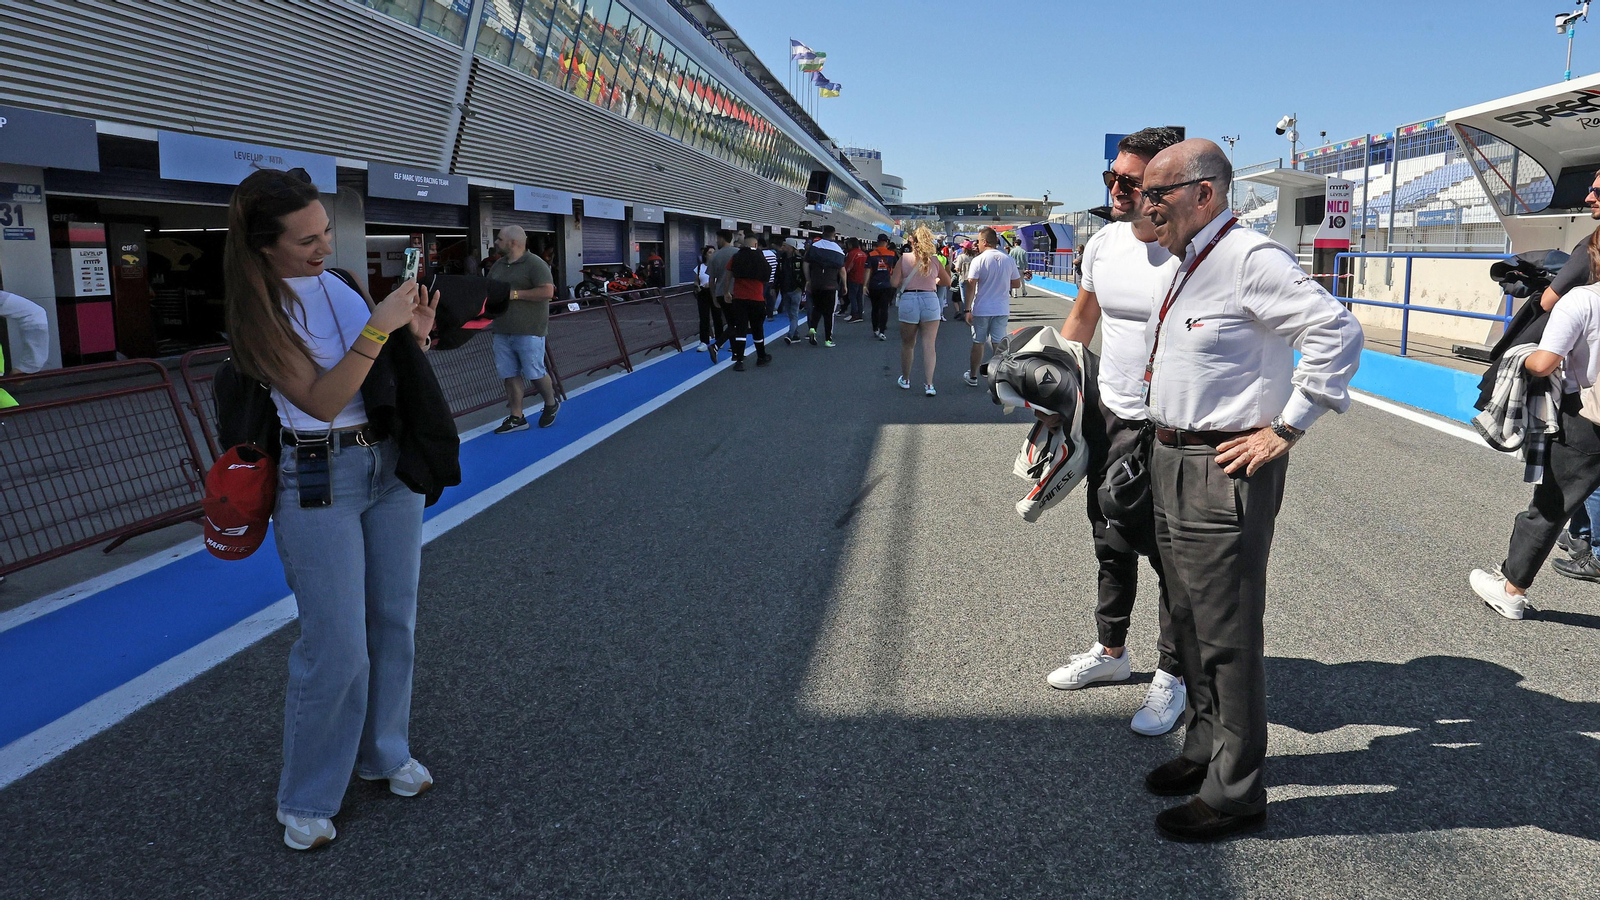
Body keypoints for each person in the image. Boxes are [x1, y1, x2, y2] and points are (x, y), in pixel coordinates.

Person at [1137, 139, 1362, 842]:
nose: (1146, 207)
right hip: (1172, 456)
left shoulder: (1249, 258)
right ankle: (1205, 746)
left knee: (1227, 633)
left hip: (1222, 465)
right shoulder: (1188, 260)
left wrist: (1287, 428)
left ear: (1204, 194)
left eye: (1158, 194)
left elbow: (1337, 332)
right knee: (1187, 619)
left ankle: (1236, 792)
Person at [222, 167, 451, 851]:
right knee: (336, 645)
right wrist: (379, 328)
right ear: (263, 246)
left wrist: (415, 336)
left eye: (326, 232)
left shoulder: (344, 284)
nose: (325, 248)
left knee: (394, 622)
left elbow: (375, 376)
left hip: (388, 464)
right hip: (318, 475)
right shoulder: (256, 315)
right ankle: (307, 795)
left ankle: (384, 752)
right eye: (307, 241)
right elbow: (321, 401)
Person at [1044, 127, 1187, 738]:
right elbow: (1081, 319)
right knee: (1109, 537)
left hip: (1172, 427)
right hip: (1108, 417)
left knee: (1172, 556)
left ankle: (1175, 674)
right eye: (1112, 178)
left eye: (1130, 181)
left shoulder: (1193, 249)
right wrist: (1054, 393)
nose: (1117, 189)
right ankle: (1111, 652)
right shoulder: (1103, 243)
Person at [1472, 233, 1600, 616]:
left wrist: (1520, 356)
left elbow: (1544, 364)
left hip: (1586, 421)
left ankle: (1511, 590)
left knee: (1549, 507)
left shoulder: (1581, 300)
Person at [1532, 169, 1600, 580]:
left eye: (1597, 191)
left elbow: (1547, 301)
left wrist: (1523, 359)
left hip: (1588, 395)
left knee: (1583, 472)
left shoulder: (1588, 250)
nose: (1589, 197)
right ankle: (1582, 535)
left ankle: (1593, 548)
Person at [487, 225, 559, 433]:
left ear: (513, 242)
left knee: (534, 372)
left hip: (529, 329)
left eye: (499, 239)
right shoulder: (498, 265)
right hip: (502, 328)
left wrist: (515, 294)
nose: (496, 242)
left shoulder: (535, 264)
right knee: (509, 373)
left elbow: (547, 292)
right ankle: (516, 416)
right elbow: (489, 287)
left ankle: (551, 403)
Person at [891, 225, 950, 395]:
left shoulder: (904, 258)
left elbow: (894, 283)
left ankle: (906, 379)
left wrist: (904, 281)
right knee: (929, 345)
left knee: (908, 344)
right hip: (930, 299)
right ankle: (929, 385)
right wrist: (934, 280)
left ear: (912, 241)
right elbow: (946, 281)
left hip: (909, 299)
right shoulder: (935, 260)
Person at [962, 227, 1022, 386]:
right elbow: (1016, 283)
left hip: (982, 308)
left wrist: (967, 309)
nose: (977, 244)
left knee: (979, 342)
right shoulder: (1008, 259)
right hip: (1001, 308)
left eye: (978, 241)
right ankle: (1001, 378)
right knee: (999, 344)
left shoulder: (978, 260)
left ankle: (973, 376)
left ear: (984, 241)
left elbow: (971, 285)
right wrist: (1002, 282)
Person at [722, 233, 774, 370]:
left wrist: (726, 292)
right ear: (756, 244)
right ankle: (761, 357)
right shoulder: (760, 257)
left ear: (744, 244)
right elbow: (767, 276)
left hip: (739, 298)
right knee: (757, 328)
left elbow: (728, 275)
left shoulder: (736, 256)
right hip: (756, 298)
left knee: (740, 329)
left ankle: (739, 360)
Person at [806, 226, 846, 347]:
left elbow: (806, 263)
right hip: (831, 285)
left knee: (817, 308)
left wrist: (808, 280)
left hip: (816, 284)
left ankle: (812, 328)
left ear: (823, 234)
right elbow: (842, 270)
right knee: (829, 313)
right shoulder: (838, 250)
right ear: (834, 235)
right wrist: (844, 285)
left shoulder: (814, 247)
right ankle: (828, 339)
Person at [707, 230, 739, 357]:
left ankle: (735, 351)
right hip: (736, 292)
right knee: (736, 323)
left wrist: (714, 297)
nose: (716, 241)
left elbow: (711, 279)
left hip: (720, 293)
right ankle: (717, 345)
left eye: (717, 238)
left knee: (731, 322)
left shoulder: (715, 256)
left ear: (722, 238)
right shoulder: (737, 253)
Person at [864, 233, 898, 341]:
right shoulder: (892, 254)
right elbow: (895, 269)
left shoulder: (871, 254)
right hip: (887, 284)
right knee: (884, 308)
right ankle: (882, 331)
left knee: (875, 308)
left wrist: (864, 285)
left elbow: (867, 270)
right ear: (887, 243)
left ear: (878, 242)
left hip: (874, 285)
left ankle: (875, 329)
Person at [693, 245, 721, 363]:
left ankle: (719, 339)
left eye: (714, 252)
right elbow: (696, 281)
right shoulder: (700, 267)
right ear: (705, 255)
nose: (712, 254)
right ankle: (704, 341)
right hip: (703, 293)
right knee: (704, 316)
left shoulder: (718, 266)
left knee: (717, 315)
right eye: (710, 252)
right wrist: (697, 286)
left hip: (714, 291)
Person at [777, 240, 807, 344]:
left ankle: (790, 335)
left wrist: (801, 287)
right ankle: (796, 334)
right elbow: (778, 274)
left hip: (795, 289)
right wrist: (775, 287)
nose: (782, 247)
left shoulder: (799, 260)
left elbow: (804, 274)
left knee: (794, 313)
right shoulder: (781, 259)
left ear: (791, 247)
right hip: (785, 289)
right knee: (790, 313)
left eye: (785, 245)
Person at [844, 237, 868, 323]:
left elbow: (848, 267)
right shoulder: (863, 254)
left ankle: (854, 315)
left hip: (853, 278)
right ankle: (859, 314)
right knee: (859, 297)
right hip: (862, 278)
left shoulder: (852, 253)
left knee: (852, 297)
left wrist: (844, 274)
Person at [761, 236, 779, 321]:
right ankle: (770, 315)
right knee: (770, 298)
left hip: (763, 280)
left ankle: (762, 314)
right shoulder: (773, 254)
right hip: (772, 280)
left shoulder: (761, 254)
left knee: (762, 298)